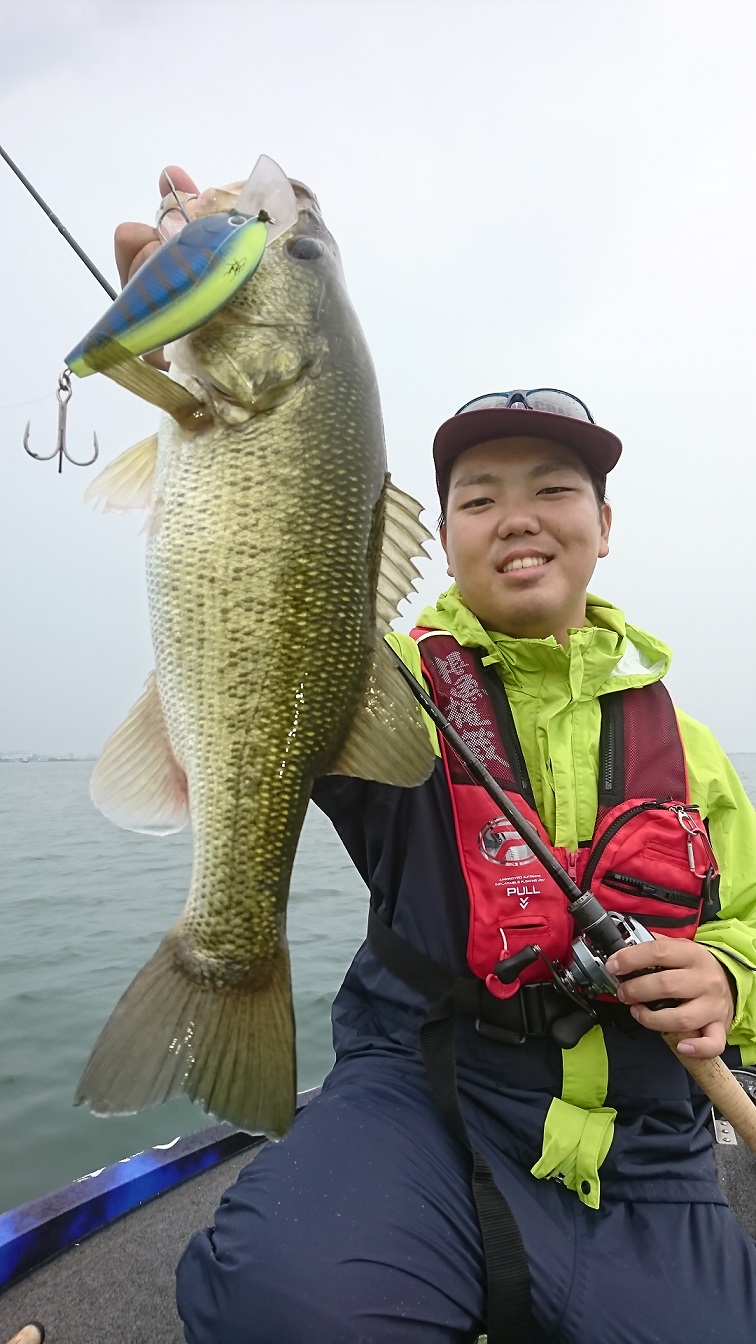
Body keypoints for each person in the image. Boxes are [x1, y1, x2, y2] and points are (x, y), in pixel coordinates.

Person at [116, 172, 756, 1344]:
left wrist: (731, 979)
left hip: (648, 1144)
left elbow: (751, 924)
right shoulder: (389, 678)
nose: (519, 516)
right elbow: (264, 600)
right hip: (422, 1088)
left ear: (603, 526)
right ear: (436, 532)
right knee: (278, 1303)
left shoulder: (696, 752)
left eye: (556, 488)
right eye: (477, 497)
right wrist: (174, 312)